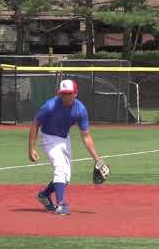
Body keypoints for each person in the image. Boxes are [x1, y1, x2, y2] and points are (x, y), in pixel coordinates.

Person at [28, 79, 103, 215]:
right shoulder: (50, 106)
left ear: (75, 94)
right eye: (63, 93)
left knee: (66, 177)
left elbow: (86, 136)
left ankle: (44, 195)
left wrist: (97, 159)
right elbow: (35, 124)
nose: (65, 96)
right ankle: (61, 204)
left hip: (64, 138)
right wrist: (31, 148)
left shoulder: (80, 110)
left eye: (68, 93)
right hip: (48, 137)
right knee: (60, 168)